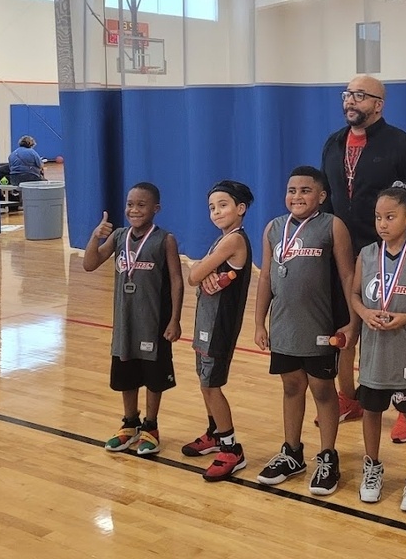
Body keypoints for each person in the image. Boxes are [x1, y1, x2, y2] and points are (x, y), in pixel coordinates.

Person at [320, 74, 406, 440]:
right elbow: (330, 200)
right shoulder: (333, 144)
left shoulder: (403, 145)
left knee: (396, 330)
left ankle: (404, 403)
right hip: (344, 254)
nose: (351, 101)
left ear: (378, 104)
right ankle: (350, 396)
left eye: (360, 96)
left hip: (389, 256)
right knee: (346, 326)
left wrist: (403, 246)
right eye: (347, 94)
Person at [253, 166, 357, 496]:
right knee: (291, 386)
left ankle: (327, 456)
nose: (297, 196)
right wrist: (258, 322)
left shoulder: (332, 226)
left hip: (321, 325)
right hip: (284, 325)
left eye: (305, 191)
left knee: (323, 390)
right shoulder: (273, 229)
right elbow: (267, 277)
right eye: (292, 190)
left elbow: (347, 276)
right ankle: (292, 452)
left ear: (321, 196)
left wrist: (352, 321)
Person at [351, 183, 406, 513]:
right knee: (372, 410)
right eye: (378, 217)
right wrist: (364, 313)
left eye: (390, 217)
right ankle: (372, 467)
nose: (382, 224)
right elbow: (354, 295)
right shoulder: (367, 255)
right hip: (374, 352)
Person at [82, 182, 184, 456]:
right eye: (130, 204)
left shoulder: (165, 240)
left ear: (156, 209)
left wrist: (175, 319)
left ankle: (151, 427)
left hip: (154, 323)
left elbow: (176, 280)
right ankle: (130, 424)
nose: (134, 209)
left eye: (141, 205)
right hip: (125, 323)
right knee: (126, 374)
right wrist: (95, 237)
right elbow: (89, 264)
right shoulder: (118, 236)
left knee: (153, 377)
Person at [180, 180, 256, 481]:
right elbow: (198, 273)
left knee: (212, 385)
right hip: (205, 323)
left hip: (220, 326)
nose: (216, 211)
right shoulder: (222, 239)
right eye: (211, 207)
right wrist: (203, 271)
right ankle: (214, 432)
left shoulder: (234, 240)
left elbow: (194, 274)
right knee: (204, 381)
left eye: (223, 205)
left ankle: (231, 449)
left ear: (241, 208)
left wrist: (202, 270)